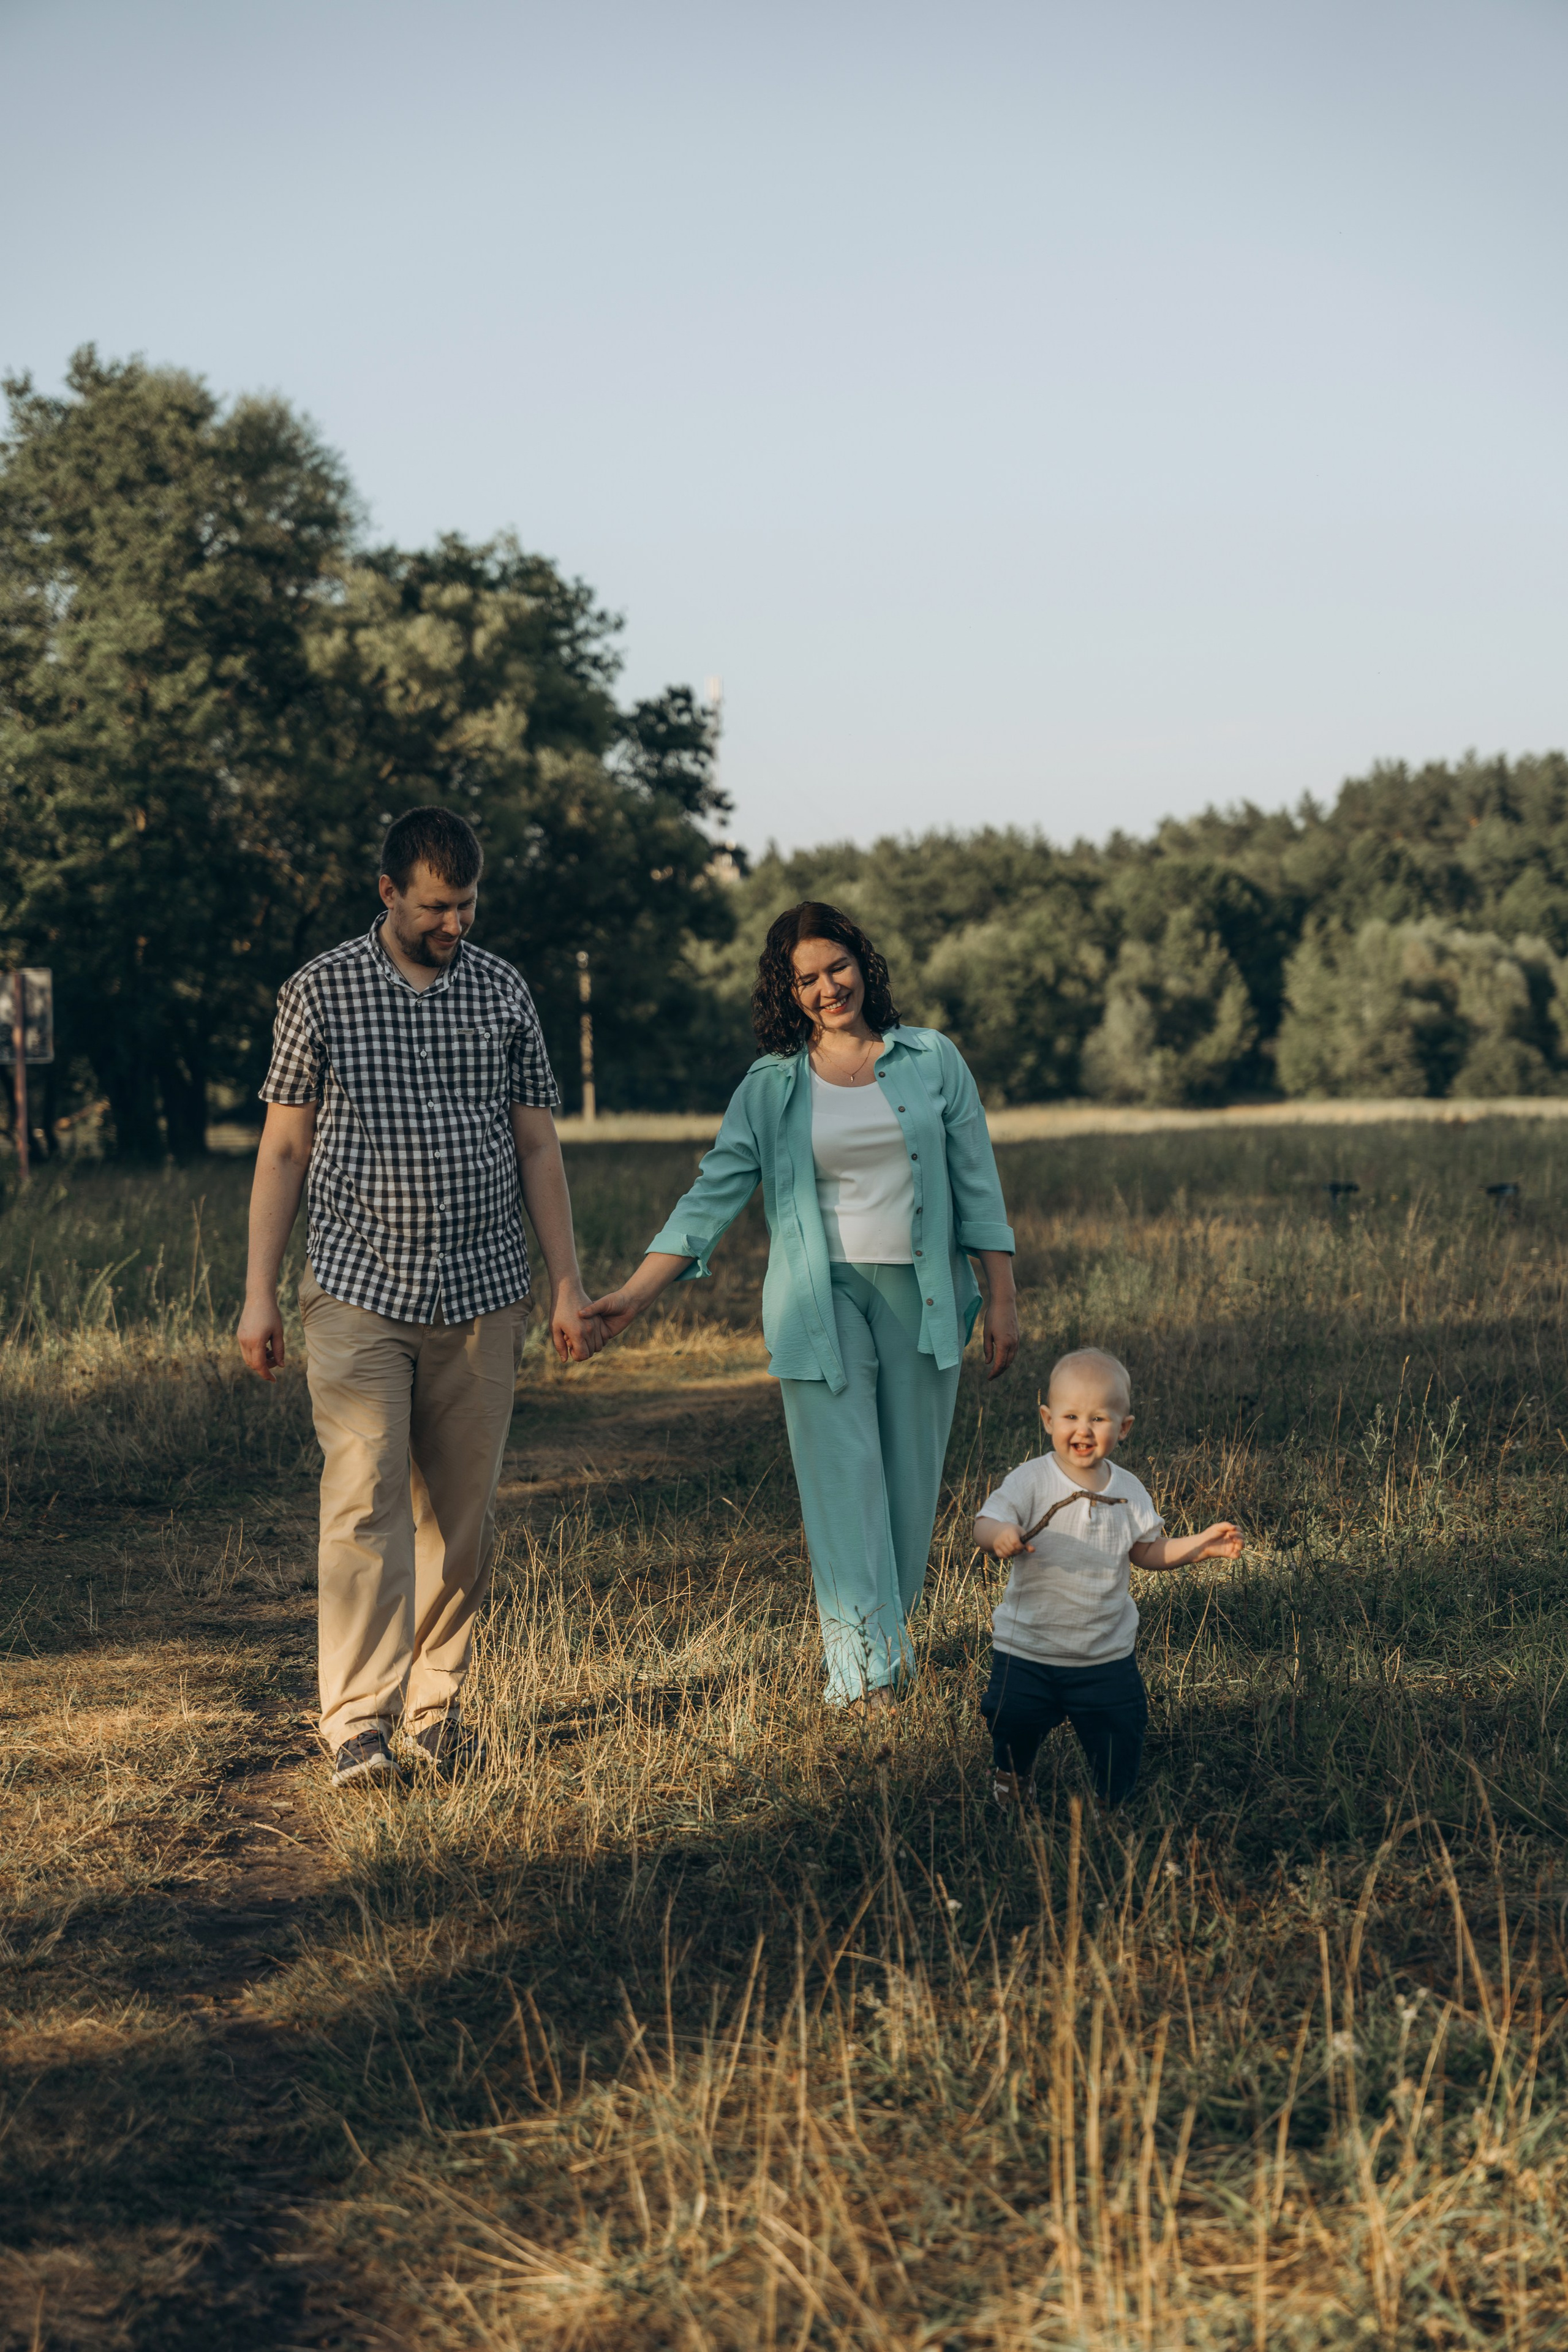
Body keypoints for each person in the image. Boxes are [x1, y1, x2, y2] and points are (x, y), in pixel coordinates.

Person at [237, 807, 600, 1787]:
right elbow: (283, 1146)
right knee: (362, 1500)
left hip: (484, 1290)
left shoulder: (503, 990)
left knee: (459, 1517)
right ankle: (356, 1721)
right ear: (388, 891)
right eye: (437, 906)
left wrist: (566, 1282)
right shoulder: (319, 990)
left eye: (468, 905)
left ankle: (435, 1709)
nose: (456, 924)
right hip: (359, 1285)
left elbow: (536, 1144)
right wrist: (257, 1295)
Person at [586, 900, 1019, 1713]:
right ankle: (866, 1678)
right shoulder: (772, 1086)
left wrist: (1000, 1297)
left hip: (925, 1298)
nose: (829, 989)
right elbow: (710, 1197)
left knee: (907, 1486)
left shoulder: (931, 1061)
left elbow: (977, 1184)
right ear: (787, 994)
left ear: (864, 962)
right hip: (818, 1303)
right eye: (808, 979)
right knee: (842, 1477)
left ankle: (884, 1648)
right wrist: (633, 1300)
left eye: (838, 967)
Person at [973, 1346, 1243, 1807]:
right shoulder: (1031, 1480)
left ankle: (1111, 1803)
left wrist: (1197, 1546)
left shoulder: (1128, 1490)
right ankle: (1014, 1775)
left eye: (1099, 1419)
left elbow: (1147, 1551)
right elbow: (982, 1523)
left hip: (1104, 1654)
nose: (1083, 1429)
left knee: (1121, 1731)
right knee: (1010, 1718)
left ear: (1124, 1427)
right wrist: (999, 1533)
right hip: (1028, 1647)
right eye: (1071, 1416)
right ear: (1047, 1419)